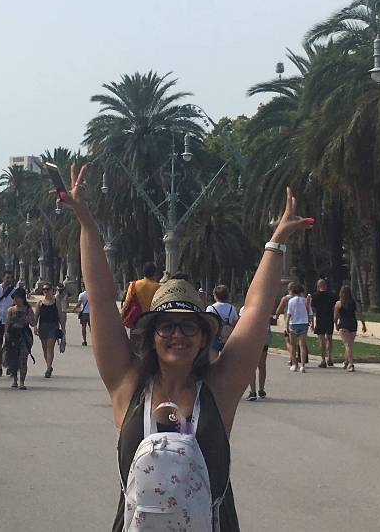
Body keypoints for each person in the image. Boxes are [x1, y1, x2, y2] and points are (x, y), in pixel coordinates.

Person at [59, 164, 312, 531]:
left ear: (203, 335)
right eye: (167, 326)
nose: (178, 334)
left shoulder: (219, 389)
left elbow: (255, 310)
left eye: (189, 325)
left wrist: (277, 240)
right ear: (152, 334)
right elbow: (99, 298)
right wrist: (85, 222)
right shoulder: (127, 385)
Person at [4, 287, 36, 389]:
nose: (16, 300)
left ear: (23, 298)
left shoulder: (28, 309)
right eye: (15, 298)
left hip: (24, 336)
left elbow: (33, 323)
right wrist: (6, 334)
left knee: (23, 358)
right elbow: (7, 323)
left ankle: (22, 381)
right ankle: (14, 380)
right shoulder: (11, 310)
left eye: (18, 298)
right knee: (13, 358)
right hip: (13, 336)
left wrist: (29, 318)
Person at [334, 284, 367, 372]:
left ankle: (351, 364)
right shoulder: (354, 303)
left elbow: (335, 317)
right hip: (353, 324)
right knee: (349, 345)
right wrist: (363, 324)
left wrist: (336, 325)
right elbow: (360, 314)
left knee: (347, 345)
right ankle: (346, 361)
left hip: (344, 324)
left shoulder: (338, 303)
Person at [308, 279, 337, 368]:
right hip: (329, 318)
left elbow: (312, 309)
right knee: (329, 338)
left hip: (320, 319)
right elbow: (335, 307)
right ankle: (330, 357)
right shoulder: (332, 295)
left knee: (321, 339)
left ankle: (323, 359)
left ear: (318, 286)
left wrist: (311, 321)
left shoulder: (315, 296)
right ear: (326, 285)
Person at [35, 283, 62, 378]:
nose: (46, 291)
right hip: (43, 326)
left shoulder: (56, 301)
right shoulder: (40, 303)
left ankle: (48, 368)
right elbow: (36, 316)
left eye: (47, 289)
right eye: (44, 290)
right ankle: (49, 366)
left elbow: (60, 315)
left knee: (50, 348)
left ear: (52, 290)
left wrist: (63, 328)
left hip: (53, 326)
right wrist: (35, 327)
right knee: (44, 348)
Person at [285, 284, 312, 373]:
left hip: (294, 323)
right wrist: (311, 322)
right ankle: (303, 365)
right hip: (303, 323)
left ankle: (294, 364)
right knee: (302, 345)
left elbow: (289, 315)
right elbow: (310, 312)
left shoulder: (291, 301)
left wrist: (286, 326)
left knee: (293, 345)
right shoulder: (305, 301)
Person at [207, 285, 240, 353]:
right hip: (228, 337)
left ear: (215, 296)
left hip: (215, 336)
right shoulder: (232, 308)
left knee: (213, 360)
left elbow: (208, 323)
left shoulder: (210, 308)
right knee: (226, 360)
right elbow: (235, 323)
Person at [246, 320, 272, 401]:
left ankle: (253, 392)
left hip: (252, 338)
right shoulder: (265, 311)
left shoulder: (245, 310)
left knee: (251, 366)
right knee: (262, 365)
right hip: (264, 338)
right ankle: (261, 390)